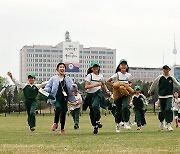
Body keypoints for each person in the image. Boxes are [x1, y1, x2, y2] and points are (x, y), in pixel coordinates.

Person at [44, 63, 76, 134]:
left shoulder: (68, 79)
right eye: (60, 67)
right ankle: (55, 123)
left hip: (64, 98)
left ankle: (62, 129)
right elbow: (49, 87)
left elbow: (71, 88)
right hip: (55, 97)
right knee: (58, 108)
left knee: (64, 113)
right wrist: (46, 90)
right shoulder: (53, 78)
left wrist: (74, 87)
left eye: (63, 67)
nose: (62, 68)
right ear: (57, 69)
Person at [149, 65, 180, 131]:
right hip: (161, 96)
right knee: (162, 110)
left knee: (168, 109)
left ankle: (168, 124)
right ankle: (161, 122)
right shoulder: (160, 77)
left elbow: (177, 84)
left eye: (167, 69)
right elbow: (154, 84)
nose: (166, 71)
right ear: (163, 70)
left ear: (169, 70)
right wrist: (150, 91)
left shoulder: (171, 78)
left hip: (169, 95)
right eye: (164, 69)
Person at [84, 61, 111, 134]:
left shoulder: (101, 76)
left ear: (99, 68)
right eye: (94, 67)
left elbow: (103, 84)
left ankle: (98, 121)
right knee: (92, 112)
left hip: (97, 93)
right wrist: (94, 85)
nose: (96, 68)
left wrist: (107, 90)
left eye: (97, 67)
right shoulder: (89, 76)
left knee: (95, 105)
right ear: (92, 68)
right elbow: (86, 86)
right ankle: (95, 126)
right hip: (90, 95)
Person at [107, 59, 133, 133]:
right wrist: (114, 86)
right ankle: (118, 124)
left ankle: (126, 122)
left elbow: (130, 82)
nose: (123, 66)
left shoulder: (129, 75)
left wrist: (128, 86)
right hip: (118, 93)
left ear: (127, 66)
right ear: (119, 66)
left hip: (125, 93)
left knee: (125, 107)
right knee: (118, 109)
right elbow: (108, 81)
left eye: (125, 64)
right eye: (122, 65)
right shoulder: (117, 74)